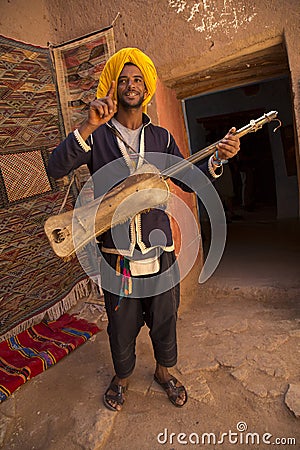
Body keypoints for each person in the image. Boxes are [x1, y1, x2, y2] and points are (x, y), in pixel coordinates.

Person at [48, 47, 240, 412]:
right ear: (113, 88)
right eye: (123, 80)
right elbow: (56, 170)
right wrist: (88, 125)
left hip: (160, 251)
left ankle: (164, 372)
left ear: (146, 88)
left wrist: (218, 157)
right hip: (115, 255)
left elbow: (189, 179)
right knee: (121, 325)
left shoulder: (162, 138)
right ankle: (121, 377)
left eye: (137, 80)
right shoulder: (99, 136)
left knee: (165, 318)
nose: (131, 85)